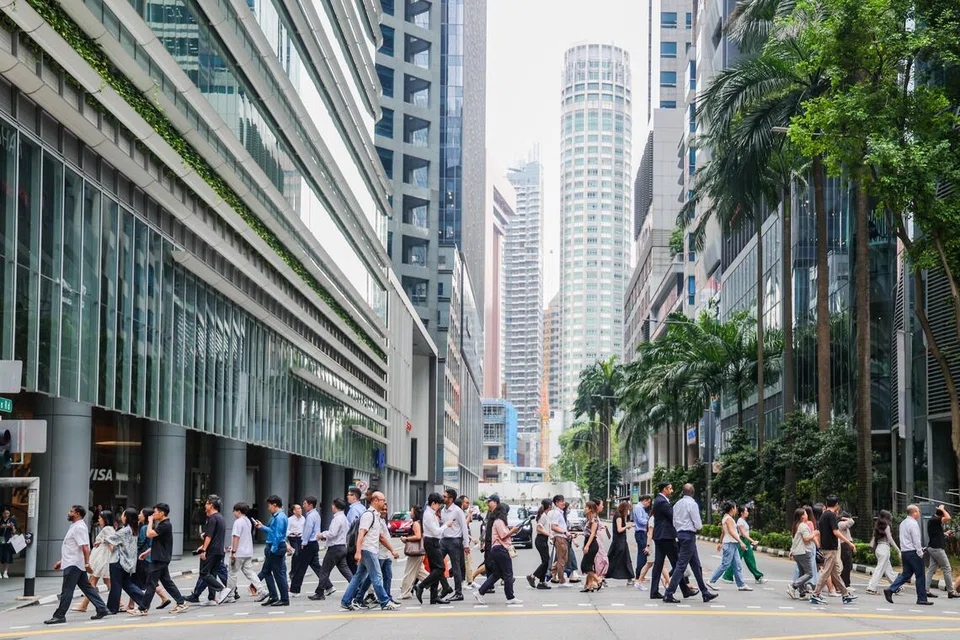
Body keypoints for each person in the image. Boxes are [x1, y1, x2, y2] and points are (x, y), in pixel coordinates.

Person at [45, 505, 110, 624]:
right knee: (87, 588)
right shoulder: (75, 526)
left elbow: (84, 547)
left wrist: (87, 563)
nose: (69, 513)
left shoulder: (79, 527)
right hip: (73, 562)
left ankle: (60, 615)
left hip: (74, 564)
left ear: (78, 514)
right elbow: (72, 547)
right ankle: (101, 608)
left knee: (67, 590)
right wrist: (61, 561)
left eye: (71, 511)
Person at [339, 491, 400, 611]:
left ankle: (346, 601)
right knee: (377, 577)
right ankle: (385, 601)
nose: (384, 503)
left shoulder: (376, 516)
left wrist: (392, 550)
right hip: (368, 550)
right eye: (382, 500)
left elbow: (381, 537)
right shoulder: (369, 515)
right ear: (375, 501)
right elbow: (361, 533)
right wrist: (358, 552)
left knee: (358, 577)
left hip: (370, 550)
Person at [129, 503, 189, 617]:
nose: (153, 514)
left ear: (162, 513)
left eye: (155, 512)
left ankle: (143, 608)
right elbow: (160, 544)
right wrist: (147, 552)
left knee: (151, 583)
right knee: (166, 582)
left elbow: (149, 534)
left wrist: (150, 521)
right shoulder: (163, 524)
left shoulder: (165, 524)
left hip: (160, 559)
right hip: (160, 557)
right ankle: (181, 602)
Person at [663, 484, 717, 603]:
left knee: (696, 566)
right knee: (681, 565)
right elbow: (697, 522)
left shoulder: (677, 504)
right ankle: (669, 593)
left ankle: (705, 592)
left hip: (680, 534)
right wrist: (698, 527)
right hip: (689, 536)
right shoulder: (692, 504)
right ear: (693, 492)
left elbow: (674, 521)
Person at [472, 503, 523, 605]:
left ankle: (480, 592)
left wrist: (512, 531)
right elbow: (503, 535)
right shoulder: (499, 521)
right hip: (501, 549)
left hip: (496, 549)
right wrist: (512, 531)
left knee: (497, 574)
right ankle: (510, 597)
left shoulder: (496, 521)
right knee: (508, 573)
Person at [810, 496, 857, 605]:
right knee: (826, 572)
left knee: (835, 573)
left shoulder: (823, 515)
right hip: (830, 548)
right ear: (836, 505)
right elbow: (836, 532)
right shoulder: (831, 515)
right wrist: (849, 543)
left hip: (827, 547)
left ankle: (845, 594)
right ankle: (815, 594)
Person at [650, 482, 694, 599]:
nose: (672, 491)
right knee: (678, 564)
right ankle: (683, 591)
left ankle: (654, 591)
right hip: (666, 537)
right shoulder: (662, 502)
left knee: (659, 564)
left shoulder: (659, 500)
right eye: (670, 488)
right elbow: (673, 517)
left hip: (660, 536)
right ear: (665, 489)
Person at [884, 504, 932, 605]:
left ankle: (891, 589)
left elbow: (903, 539)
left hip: (905, 552)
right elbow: (916, 540)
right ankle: (922, 598)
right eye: (918, 511)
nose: (919, 513)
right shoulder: (913, 524)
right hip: (913, 552)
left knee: (906, 574)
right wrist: (920, 552)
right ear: (914, 512)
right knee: (920, 575)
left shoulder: (903, 523)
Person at [310, 497, 354, 600]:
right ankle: (356, 587)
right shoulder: (344, 518)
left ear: (335, 507)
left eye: (333, 505)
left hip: (335, 548)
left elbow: (332, 533)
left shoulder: (337, 519)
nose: (331, 507)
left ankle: (320, 592)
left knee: (324, 570)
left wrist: (322, 535)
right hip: (342, 547)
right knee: (345, 570)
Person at [221, 501, 265, 602]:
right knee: (249, 572)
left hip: (239, 552)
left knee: (232, 573)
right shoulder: (247, 521)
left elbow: (236, 537)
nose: (233, 513)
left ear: (238, 511)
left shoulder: (238, 522)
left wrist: (233, 551)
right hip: (248, 551)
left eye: (234, 511)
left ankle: (230, 596)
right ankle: (261, 590)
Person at [414, 493, 452, 604]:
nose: (439, 506)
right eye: (438, 504)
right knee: (440, 568)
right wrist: (446, 525)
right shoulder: (429, 515)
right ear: (433, 503)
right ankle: (421, 586)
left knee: (436, 569)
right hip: (431, 542)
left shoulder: (431, 513)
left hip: (432, 541)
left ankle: (434, 596)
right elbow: (436, 531)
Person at [105, 508, 144, 614]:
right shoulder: (134, 529)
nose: (121, 516)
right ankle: (144, 600)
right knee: (126, 584)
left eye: (123, 514)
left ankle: (112, 608)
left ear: (126, 517)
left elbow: (110, 538)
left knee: (116, 585)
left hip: (118, 560)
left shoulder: (125, 530)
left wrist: (102, 538)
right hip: (128, 562)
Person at [74, 510, 114, 613]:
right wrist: (101, 541)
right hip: (101, 557)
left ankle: (84, 605)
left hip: (102, 558)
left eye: (100, 518)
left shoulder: (107, 529)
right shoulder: (107, 529)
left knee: (92, 581)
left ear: (105, 519)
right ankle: (120, 603)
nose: (99, 520)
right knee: (106, 582)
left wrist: (101, 541)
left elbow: (111, 542)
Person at [708, 501, 752, 592]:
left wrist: (720, 543)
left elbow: (723, 532)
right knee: (725, 564)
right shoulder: (728, 519)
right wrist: (741, 542)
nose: (736, 510)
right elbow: (731, 532)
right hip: (730, 544)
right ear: (732, 509)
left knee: (737, 565)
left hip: (732, 544)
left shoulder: (726, 517)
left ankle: (741, 584)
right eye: (735, 508)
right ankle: (711, 581)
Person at [254, 495, 290, 606]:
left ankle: (284, 599)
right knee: (266, 572)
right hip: (273, 546)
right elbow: (272, 531)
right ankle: (273, 596)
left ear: (275, 505)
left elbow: (278, 535)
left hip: (276, 547)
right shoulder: (276, 516)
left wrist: (273, 549)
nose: (268, 508)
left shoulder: (279, 517)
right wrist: (262, 527)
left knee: (278, 574)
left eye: (269, 506)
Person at [132, 508, 170, 611]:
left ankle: (142, 605)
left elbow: (141, 542)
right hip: (148, 557)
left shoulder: (145, 528)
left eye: (140, 513)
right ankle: (164, 598)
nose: (139, 515)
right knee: (148, 581)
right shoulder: (149, 527)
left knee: (147, 582)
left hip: (143, 557)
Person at [194, 496, 227, 603]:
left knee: (204, 573)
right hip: (219, 550)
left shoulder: (212, 518)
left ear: (211, 505)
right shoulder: (220, 518)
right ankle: (212, 598)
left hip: (212, 550)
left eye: (207, 504)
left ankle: (222, 589)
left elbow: (209, 536)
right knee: (212, 573)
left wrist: (204, 550)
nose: (205, 506)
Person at [289, 497, 323, 598]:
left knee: (300, 567)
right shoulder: (316, 515)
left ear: (310, 505)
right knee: (315, 565)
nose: (303, 506)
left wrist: (303, 542)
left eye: (305, 504)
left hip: (308, 543)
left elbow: (308, 530)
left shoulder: (310, 516)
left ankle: (295, 590)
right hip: (314, 543)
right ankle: (328, 585)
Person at [440, 488, 469, 601]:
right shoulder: (443, 510)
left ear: (451, 499)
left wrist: (466, 544)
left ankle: (458, 593)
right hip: (443, 540)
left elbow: (464, 527)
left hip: (455, 540)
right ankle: (445, 587)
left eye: (445, 496)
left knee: (456, 568)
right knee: (437, 564)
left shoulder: (457, 511)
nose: (443, 498)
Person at [722, 506, 764, 584]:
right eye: (746, 511)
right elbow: (743, 534)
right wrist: (753, 541)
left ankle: (758, 576)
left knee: (750, 560)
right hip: (742, 541)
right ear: (742, 513)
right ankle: (727, 576)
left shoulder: (743, 521)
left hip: (746, 542)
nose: (747, 512)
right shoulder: (740, 521)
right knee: (736, 561)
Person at [925, 505, 958, 598]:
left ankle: (925, 590)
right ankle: (951, 591)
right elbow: (948, 518)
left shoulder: (933, 519)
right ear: (942, 515)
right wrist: (942, 509)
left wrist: (945, 534)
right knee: (947, 568)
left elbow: (936, 533)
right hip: (937, 548)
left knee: (931, 569)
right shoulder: (935, 520)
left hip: (932, 547)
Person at [787, 508, 819, 599]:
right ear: (802, 516)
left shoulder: (796, 525)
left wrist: (791, 550)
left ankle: (802, 593)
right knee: (809, 573)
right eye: (805, 514)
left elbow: (795, 540)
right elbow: (806, 539)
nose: (807, 515)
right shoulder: (803, 526)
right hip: (803, 552)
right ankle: (793, 586)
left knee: (802, 573)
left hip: (797, 553)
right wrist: (814, 533)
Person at [866, 510, 899, 595]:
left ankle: (896, 586)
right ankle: (871, 587)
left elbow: (874, 539)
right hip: (884, 548)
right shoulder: (887, 526)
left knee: (888, 569)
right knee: (879, 569)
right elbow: (890, 539)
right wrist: (898, 549)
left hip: (879, 548)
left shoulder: (877, 526)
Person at [400, 504, 429, 599]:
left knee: (409, 572)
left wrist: (406, 539)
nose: (410, 513)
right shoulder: (421, 522)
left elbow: (418, 536)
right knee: (420, 572)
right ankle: (438, 586)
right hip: (419, 552)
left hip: (415, 552)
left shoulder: (416, 523)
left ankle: (405, 592)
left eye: (411, 511)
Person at [527, 498, 553, 589]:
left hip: (543, 540)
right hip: (541, 540)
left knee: (545, 562)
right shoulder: (543, 516)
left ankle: (541, 582)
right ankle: (532, 576)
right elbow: (539, 529)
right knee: (546, 561)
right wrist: (549, 535)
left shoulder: (545, 515)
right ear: (549, 506)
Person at [606, 500, 635, 583]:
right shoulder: (618, 516)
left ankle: (629, 577)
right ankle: (604, 574)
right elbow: (619, 529)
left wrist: (626, 526)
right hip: (619, 541)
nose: (628, 512)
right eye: (627, 510)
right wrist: (627, 526)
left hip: (620, 540)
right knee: (616, 558)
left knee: (623, 558)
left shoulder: (619, 515)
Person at [550, 495, 573, 586]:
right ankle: (562, 580)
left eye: (563, 501)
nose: (563, 503)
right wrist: (565, 532)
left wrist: (567, 533)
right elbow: (553, 526)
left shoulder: (560, 512)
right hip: (560, 538)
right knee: (562, 560)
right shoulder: (556, 513)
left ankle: (551, 573)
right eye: (561, 501)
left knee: (563, 559)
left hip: (562, 537)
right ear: (556, 503)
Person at [579, 501, 601, 592]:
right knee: (588, 565)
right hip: (588, 542)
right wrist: (579, 534)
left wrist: (587, 546)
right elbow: (587, 532)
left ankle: (598, 579)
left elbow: (592, 534)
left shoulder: (594, 520)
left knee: (585, 566)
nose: (585, 509)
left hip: (592, 544)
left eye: (586, 507)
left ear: (590, 509)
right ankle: (590, 586)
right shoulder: (588, 519)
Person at [632, 495, 651, 584]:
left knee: (643, 554)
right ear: (645, 500)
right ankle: (639, 575)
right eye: (648, 502)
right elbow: (640, 520)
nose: (649, 504)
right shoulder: (639, 508)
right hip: (640, 532)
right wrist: (649, 521)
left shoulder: (641, 508)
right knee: (642, 554)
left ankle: (641, 575)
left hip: (642, 532)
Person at [286, 503, 305, 584]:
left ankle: (296, 571)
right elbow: (286, 530)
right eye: (298, 508)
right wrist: (292, 532)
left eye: (300, 508)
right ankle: (293, 572)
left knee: (300, 555)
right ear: (294, 511)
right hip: (293, 537)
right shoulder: (289, 520)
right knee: (296, 553)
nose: (300, 510)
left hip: (301, 538)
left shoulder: (303, 518)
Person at [0, 507, 18, 579]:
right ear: (2, 513)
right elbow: (1, 526)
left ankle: (5, 572)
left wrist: (12, 527)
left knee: (7, 556)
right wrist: (6, 526)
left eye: (7, 513)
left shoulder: (12, 520)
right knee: (0, 556)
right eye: (5, 513)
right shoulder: (1, 520)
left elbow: (14, 532)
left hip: (8, 540)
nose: (6, 515)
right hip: (1, 539)